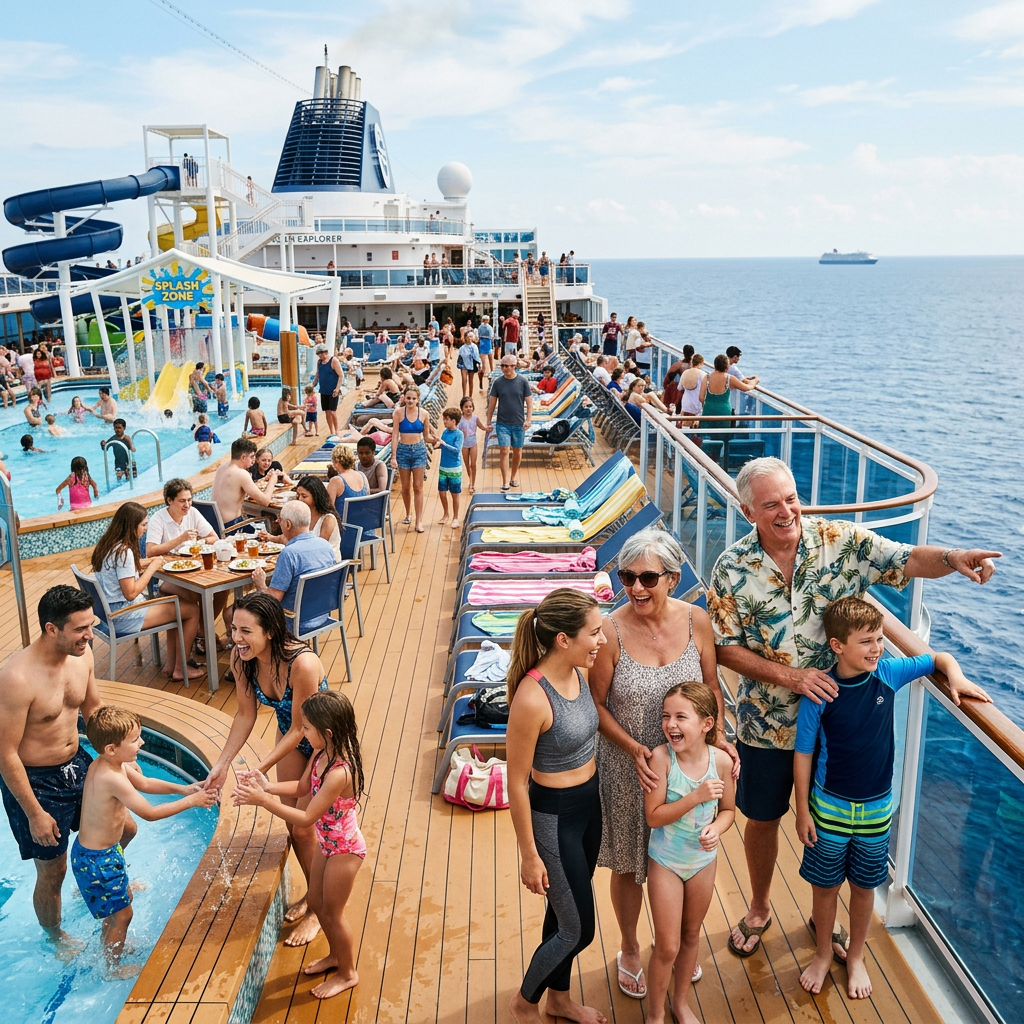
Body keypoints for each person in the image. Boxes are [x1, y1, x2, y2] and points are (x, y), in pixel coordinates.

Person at [708, 456, 1001, 958]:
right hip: (769, 724)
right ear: (747, 510)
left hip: (842, 729)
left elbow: (906, 559)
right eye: (772, 504)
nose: (786, 511)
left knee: (835, 829)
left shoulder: (840, 542)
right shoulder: (732, 568)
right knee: (761, 818)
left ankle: (827, 924)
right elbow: (725, 648)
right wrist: (791, 677)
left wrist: (953, 558)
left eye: (792, 498)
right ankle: (759, 906)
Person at [794, 597, 990, 999]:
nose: (877, 648)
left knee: (865, 889)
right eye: (866, 641)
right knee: (825, 888)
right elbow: (804, 753)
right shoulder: (821, 692)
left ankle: (857, 956)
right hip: (828, 808)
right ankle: (821, 953)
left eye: (880, 638)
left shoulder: (887, 673)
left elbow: (939, 657)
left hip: (876, 811)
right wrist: (801, 812)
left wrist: (957, 677)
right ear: (837, 646)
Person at [590, 529, 737, 999]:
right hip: (632, 766)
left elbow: (712, 685)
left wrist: (719, 741)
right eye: (627, 576)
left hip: (690, 762)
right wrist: (635, 749)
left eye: (648, 577)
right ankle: (631, 947)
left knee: (683, 853)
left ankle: (673, 947)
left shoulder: (697, 620)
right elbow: (595, 705)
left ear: (672, 578)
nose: (636, 588)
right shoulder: (610, 630)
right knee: (631, 861)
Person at [203, 593, 330, 946]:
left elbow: (300, 728)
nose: (236, 638)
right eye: (233, 629)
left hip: (323, 741)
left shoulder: (302, 664)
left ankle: (321, 910)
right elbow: (245, 715)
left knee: (313, 824)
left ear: (270, 631)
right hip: (290, 734)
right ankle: (313, 895)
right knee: (296, 827)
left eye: (246, 631)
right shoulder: (242, 659)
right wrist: (222, 764)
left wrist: (256, 768)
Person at [505, 589, 607, 1024]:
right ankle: (526, 1002)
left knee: (561, 914)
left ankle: (559, 1000)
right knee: (579, 928)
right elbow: (515, 782)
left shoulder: (579, 672)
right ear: (563, 639)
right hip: (555, 817)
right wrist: (529, 854)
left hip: (589, 804)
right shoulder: (532, 697)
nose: (601, 640)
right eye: (594, 632)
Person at [0, 587, 117, 952]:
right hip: (37, 782)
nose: (90, 635)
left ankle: (96, 883)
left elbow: (93, 710)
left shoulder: (82, 657)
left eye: (91, 625)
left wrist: (114, 761)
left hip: (77, 762)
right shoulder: (17, 678)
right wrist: (34, 812)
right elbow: (4, 754)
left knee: (123, 826)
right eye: (81, 628)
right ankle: (56, 937)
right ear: (52, 629)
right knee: (53, 871)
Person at [234, 691, 364, 999]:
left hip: (345, 850)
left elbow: (306, 817)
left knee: (332, 913)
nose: (301, 732)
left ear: (327, 732)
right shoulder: (319, 756)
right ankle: (335, 956)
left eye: (306, 727)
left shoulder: (339, 773)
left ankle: (347, 973)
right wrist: (266, 786)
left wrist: (263, 800)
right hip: (327, 845)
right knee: (317, 905)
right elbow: (303, 787)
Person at [73, 706, 216, 969]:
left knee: (117, 909)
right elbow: (149, 813)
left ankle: (110, 947)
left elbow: (146, 783)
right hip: (98, 860)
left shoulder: (110, 764)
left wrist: (184, 789)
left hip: (102, 853)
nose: (142, 742)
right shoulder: (110, 776)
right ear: (111, 748)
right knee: (124, 916)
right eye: (135, 739)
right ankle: (112, 967)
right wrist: (193, 802)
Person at [644, 682, 736, 1024]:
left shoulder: (722, 762)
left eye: (681, 717)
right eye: (666, 716)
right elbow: (653, 816)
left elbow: (728, 810)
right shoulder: (661, 758)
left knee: (690, 936)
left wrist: (717, 828)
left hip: (702, 862)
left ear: (706, 724)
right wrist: (695, 798)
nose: (671, 725)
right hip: (666, 861)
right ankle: (654, 1015)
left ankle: (680, 1004)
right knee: (667, 946)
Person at [92, 502, 203, 681]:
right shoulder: (124, 553)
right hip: (123, 616)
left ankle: (170, 666)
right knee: (191, 610)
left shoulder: (108, 546)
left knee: (173, 601)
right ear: (131, 525)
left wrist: (150, 561)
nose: (145, 528)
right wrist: (153, 567)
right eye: (143, 524)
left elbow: (123, 571)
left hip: (109, 614)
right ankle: (181, 668)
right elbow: (131, 593)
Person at [251, 501, 336, 632]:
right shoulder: (325, 546)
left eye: (280, 520)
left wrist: (260, 584)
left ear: (288, 524)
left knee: (234, 612)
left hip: (293, 620)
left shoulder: (289, 554)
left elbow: (272, 601)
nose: (278, 522)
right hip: (321, 614)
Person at [390, 386, 438, 533]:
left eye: (413, 398)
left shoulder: (424, 414)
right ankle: (408, 513)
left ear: (418, 399)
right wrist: (393, 455)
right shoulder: (398, 413)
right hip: (403, 451)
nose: (410, 401)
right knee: (405, 487)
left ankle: (418, 521)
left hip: (419, 450)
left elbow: (426, 436)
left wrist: (436, 440)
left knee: (418, 487)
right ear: (404, 397)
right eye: (408, 398)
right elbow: (395, 435)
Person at [486, 355, 533, 492]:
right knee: (504, 450)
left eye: (508, 366)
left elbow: (529, 403)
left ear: (514, 366)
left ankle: (513, 477)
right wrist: (488, 421)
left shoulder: (523, 381)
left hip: (518, 423)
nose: (505, 368)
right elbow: (492, 404)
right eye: (503, 366)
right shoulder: (498, 383)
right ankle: (505, 481)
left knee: (517, 451)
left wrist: (528, 419)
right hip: (502, 423)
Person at [211, 437, 277, 530]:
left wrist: (264, 479)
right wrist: (273, 480)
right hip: (232, 527)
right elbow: (265, 501)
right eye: (251, 457)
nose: (253, 460)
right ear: (243, 457)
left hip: (215, 526)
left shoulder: (222, 468)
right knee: (270, 529)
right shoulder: (241, 473)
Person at [294, 476, 342, 560]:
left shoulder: (328, 519)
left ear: (315, 497)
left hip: (326, 564)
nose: (299, 499)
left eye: (304, 496)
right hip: (309, 558)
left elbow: (318, 549)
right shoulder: (303, 515)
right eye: (298, 495)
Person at [436, 408, 464, 530]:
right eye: (444, 419)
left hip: (454, 468)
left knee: (455, 494)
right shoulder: (445, 432)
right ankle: (446, 513)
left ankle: (456, 517)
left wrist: (444, 444)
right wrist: (437, 444)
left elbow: (457, 450)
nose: (444, 422)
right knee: (442, 492)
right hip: (443, 467)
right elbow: (443, 447)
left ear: (454, 421)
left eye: (446, 419)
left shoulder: (459, 434)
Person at [326, 445, 369, 521]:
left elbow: (329, 509)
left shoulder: (336, 481)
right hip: (365, 524)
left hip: (346, 528)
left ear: (337, 462)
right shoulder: (362, 476)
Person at [312, 344, 344, 437]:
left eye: (321, 354)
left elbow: (341, 375)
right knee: (326, 411)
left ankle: (337, 430)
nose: (320, 356)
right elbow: (317, 375)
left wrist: (337, 388)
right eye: (318, 354)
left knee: (332, 411)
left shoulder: (333, 361)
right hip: (324, 390)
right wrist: (312, 385)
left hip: (332, 390)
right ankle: (331, 431)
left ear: (326, 352)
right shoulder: (319, 362)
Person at [458, 396, 483, 494]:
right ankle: (470, 479)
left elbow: (481, 426)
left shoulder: (475, 418)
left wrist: (487, 429)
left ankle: (472, 483)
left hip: (473, 443)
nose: (468, 409)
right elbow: (456, 430)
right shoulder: (460, 419)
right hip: (464, 444)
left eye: (470, 406)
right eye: (466, 407)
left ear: (473, 408)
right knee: (467, 464)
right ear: (462, 408)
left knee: (473, 464)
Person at [725, 345, 759, 418]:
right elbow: (745, 382)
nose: (738, 359)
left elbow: (737, 379)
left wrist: (749, 378)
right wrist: (756, 380)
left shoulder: (723, 366)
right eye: (738, 357)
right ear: (734, 357)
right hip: (730, 402)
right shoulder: (734, 369)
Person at [678, 354, 706, 426]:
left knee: (685, 425)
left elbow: (679, 387)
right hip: (696, 403)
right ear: (700, 363)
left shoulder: (685, 372)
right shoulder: (703, 374)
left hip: (685, 403)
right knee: (694, 426)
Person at [457, 329, 481, 398]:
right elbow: (461, 356)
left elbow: (477, 356)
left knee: (471, 380)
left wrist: (479, 364)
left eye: (471, 337)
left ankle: (470, 396)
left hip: (472, 364)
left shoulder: (474, 347)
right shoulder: (462, 348)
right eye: (468, 337)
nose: (469, 338)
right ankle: (464, 395)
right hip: (463, 364)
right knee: (464, 380)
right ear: (465, 338)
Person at [476, 313, 495, 382]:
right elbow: (492, 336)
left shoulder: (480, 327)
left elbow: (478, 335)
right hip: (488, 342)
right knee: (490, 357)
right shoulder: (489, 327)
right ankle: (492, 370)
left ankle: (484, 371)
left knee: (483, 359)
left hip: (482, 342)